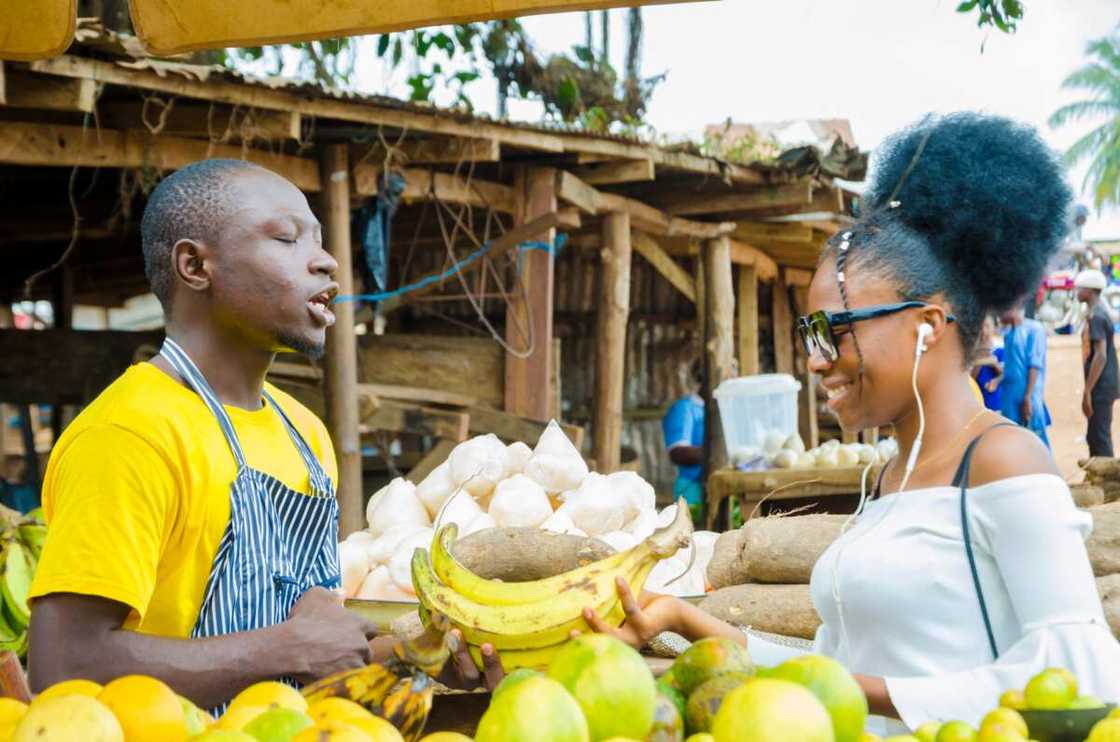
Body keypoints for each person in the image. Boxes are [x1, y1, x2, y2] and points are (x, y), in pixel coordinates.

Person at [584, 113, 1120, 733]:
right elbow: (833, 670)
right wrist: (680, 621)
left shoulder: (1004, 459)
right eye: (809, 333)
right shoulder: (885, 479)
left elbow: (1079, 671)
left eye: (834, 332)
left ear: (927, 323)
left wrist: (859, 692)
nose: (815, 360)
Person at [26, 160, 496, 710]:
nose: (326, 261)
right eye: (286, 238)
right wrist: (284, 649)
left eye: (319, 241)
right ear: (195, 265)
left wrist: (416, 657)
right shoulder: (130, 434)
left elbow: (309, 655)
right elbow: (64, 667)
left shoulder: (305, 432)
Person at [1076, 268, 1119, 456]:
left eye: (1079, 289)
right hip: (1102, 384)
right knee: (1094, 434)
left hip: (1101, 386)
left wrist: (1087, 391)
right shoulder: (1096, 314)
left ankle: (1109, 482)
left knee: (1099, 436)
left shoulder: (1097, 317)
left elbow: (1100, 356)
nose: (1076, 292)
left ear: (1090, 291)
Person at [998, 304, 1052, 447]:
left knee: (1036, 441)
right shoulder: (1008, 334)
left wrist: (1028, 397)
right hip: (1010, 397)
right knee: (1013, 439)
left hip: (1028, 396)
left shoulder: (1034, 330)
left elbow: (1035, 365)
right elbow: (1010, 366)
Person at [661, 359, 705, 523]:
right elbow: (677, 453)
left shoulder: (723, 407)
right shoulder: (685, 408)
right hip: (692, 492)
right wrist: (715, 453)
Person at [971, 315, 1004, 412]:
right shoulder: (972, 349)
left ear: (995, 328)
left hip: (995, 402)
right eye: (980, 327)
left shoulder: (999, 349)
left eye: (987, 326)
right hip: (976, 401)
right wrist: (984, 360)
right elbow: (970, 377)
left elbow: (1006, 373)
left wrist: (996, 379)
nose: (983, 330)